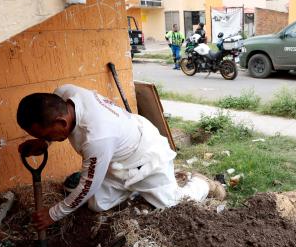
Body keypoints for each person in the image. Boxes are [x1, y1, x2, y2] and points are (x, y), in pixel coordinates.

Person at [16, 84, 224, 230]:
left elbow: (86, 187)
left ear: (61, 123)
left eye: (44, 135)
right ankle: (135, 190)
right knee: (98, 205)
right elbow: (89, 189)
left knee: (171, 204)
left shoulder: (96, 137)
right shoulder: (64, 93)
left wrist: (53, 214)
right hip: (116, 158)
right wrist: (43, 142)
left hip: (145, 156)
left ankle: (202, 184)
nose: (44, 139)